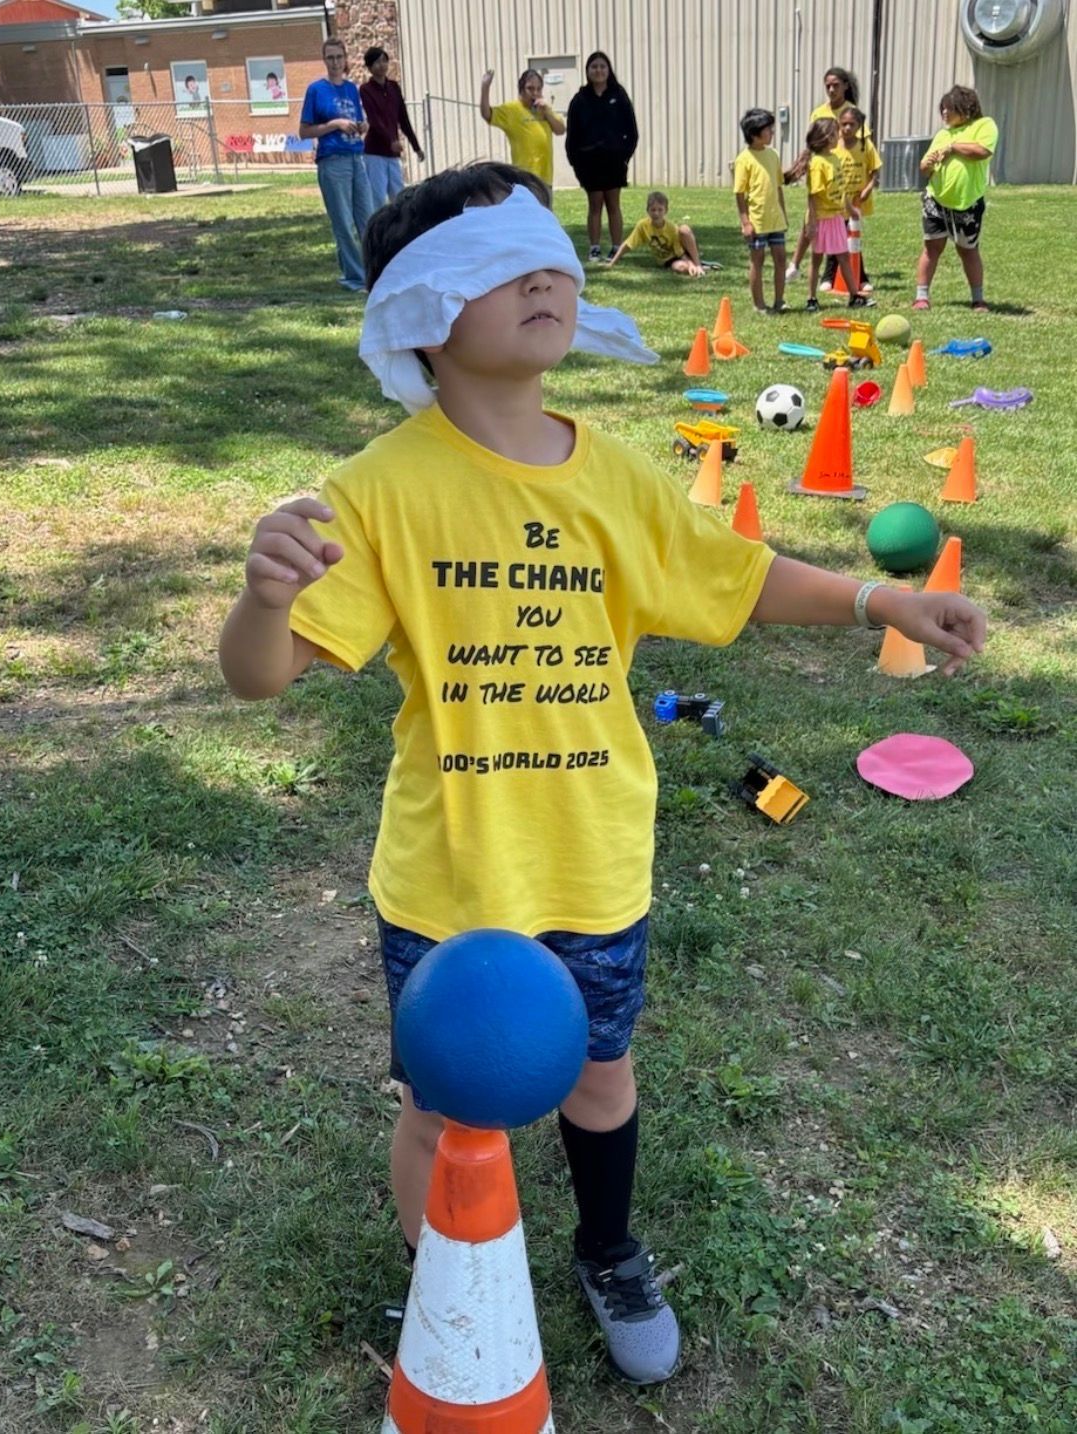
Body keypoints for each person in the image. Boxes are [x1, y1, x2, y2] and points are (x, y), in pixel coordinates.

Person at [219, 159, 986, 1386]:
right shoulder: (377, 493)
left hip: (593, 852)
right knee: (438, 1099)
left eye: (547, 252)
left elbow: (733, 580)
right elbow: (262, 677)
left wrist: (874, 597)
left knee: (600, 1073)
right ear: (424, 308)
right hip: (448, 870)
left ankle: (611, 1246)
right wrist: (261, 603)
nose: (540, 273)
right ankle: (450, 1277)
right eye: (493, 261)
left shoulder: (619, 473)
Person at [299, 38, 374, 293]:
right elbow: (304, 131)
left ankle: (372, 272)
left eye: (338, 57)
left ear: (345, 59)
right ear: (324, 60)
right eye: (330, 58)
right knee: (343, 221)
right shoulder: (316, 90)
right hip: (332, 160)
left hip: (356, 158)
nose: (335, 63)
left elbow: (359, 120)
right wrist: (334, 125)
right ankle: (355, 277)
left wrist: (362, 127)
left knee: (367, 218)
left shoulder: (352, 89)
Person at [913, 86, 997, 313]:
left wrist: (953, 148)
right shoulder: (942, 134)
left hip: (967, 204)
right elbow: (924, 168)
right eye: (942, 109)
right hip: (936, 200)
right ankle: (921, 297)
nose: (944, 113)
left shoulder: (984, 125)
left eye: (949, 108)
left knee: (968, 250)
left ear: (966, 108)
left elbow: (982, 151)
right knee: (931, 247)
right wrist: (926, 164)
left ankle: (978, 299)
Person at [786, 65, 861, 282]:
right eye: (827, 85)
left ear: (845, 86)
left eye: (835, 85)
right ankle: (796, 265)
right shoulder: (819, 112)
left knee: (841, 225)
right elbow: (812, 141)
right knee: (811, 221)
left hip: (841, 170)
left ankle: (836, 276)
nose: (831, 89)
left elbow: (860, 141)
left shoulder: (850, 111)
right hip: (822, 170)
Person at [564, 50, 638, 263]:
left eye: (602, 66)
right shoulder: (579, 100)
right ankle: (594, 248)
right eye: (594, 67)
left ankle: (616, 247)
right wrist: (576, 162)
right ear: (588, 71)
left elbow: (632, 131)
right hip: (589, 163)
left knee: (613, 204)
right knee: (595, 205)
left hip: (614, 162)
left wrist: (624, 156)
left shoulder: (619, 95)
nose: (598, 70)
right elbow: (572, 136)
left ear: (608, 70)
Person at [804, 118, 873, 311]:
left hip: (836, 217)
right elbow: (813, 195)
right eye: (835, 133)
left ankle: (854, 296)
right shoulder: (818, 163)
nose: (839, 136)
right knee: (816, 259)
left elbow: (841, 189)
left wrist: (849, 209)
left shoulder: (834, 158)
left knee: (843, 256)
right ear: (826, 138)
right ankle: (811, 298)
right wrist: (811, 222)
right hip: (821, 219)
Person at [479, 67, 565, 199]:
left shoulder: (544, 109)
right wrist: (485, 87)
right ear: (521, 89)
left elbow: (561, 130)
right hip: (524, 179)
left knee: (544, 217)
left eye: (538, 89)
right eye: (530, 88)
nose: (535, 93)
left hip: (545, 178)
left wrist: (547, 112)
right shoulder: (511, 110)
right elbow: (487, 114)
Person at [734, 108, 788, 314]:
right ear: (755, 134)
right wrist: (745, 222)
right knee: (757, 260)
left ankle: (780, 300)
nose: (772, 133)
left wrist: (783, 213)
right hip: (757, 221)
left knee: (781, 258)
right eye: (768, 130)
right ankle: (759, 304)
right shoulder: (744, 159)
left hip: (776, 221)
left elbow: (778, 187)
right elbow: (740, 194)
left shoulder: (773, 155)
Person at [821, 103, 879, 293]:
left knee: (853, 241)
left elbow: (875, 171)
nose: (846, 128)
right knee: (835, 239)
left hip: (856, 203)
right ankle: (828, 277)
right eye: (843, 124)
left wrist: (868, 189)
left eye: (851, 124)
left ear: (859, 126)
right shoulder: (834, 146)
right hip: (837, 202)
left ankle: (860, 278)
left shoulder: (865, 146)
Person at [359, 45, 425, 209]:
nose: (381, 66)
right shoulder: (366, 90)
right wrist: (390, 140)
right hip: (375, 152)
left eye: (384, 61)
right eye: (376, 62)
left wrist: (416, 147)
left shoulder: (394, 87)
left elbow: (403, 119)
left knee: (399, 197)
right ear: (369, 67)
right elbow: (374, 119)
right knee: (378, 198)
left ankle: (399, 229)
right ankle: (377, 231)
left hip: (392, 153)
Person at [605, 191, 706, 277]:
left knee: (684, 229)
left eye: (660, 210)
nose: (656, 213)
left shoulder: (671, 228)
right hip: (668, 259)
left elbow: (680, 252)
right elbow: (627, 245)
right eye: (653, 210)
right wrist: (612, 263)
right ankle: (697, 264)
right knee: (681, 268)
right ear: (647, 211)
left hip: (681, 253)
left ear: (666, 211)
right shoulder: (643, 226)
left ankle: (697, 264)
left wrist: (691, 263)